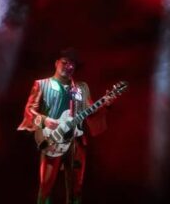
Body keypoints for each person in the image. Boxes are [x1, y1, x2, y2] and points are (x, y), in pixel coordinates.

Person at [17, 48, 110, 204]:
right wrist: (44, 120)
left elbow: (90, 111)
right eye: (65, 62)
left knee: (76, 189)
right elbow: (29, 110)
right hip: (52, 140)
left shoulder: (81, 88)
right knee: (46, 187)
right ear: (56, 63)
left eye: (72, 64)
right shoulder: (42, 84)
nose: (69, 66)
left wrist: (105, 104)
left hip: (76, 142)